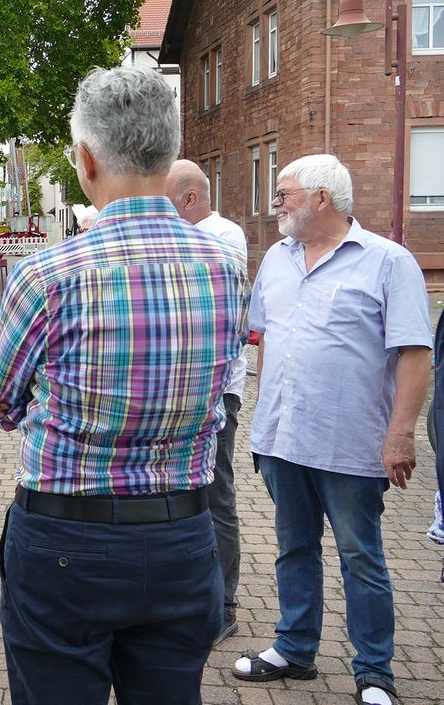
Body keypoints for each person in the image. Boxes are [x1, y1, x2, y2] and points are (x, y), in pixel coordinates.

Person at [0, 65, 249, 704]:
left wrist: (1, 393)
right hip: (183, 531)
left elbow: (7, 403)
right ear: (170, 152)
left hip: (67, 538)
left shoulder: (47, 274)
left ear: (86, 160)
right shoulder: (227, 271)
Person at [233, 154, 431, 705]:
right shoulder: (275, 258)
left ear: (323, 199)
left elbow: (416, 353)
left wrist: (401, 434)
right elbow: (266, 338)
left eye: (285, 192)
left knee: (360, 557)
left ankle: (374, 672)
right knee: (293, 548)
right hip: (282, 439)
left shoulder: (388, 262)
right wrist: (262, 422)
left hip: (351, 442)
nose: (276, 203)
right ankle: (295, 649)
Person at [167, 158, 248, 644]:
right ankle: (194, 596)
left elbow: (227, 328)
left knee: (215, 492)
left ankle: (224, 605)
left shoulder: (221, 237)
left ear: (190, 199)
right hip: (188, 388)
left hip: (215, 391)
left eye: (167, 202)